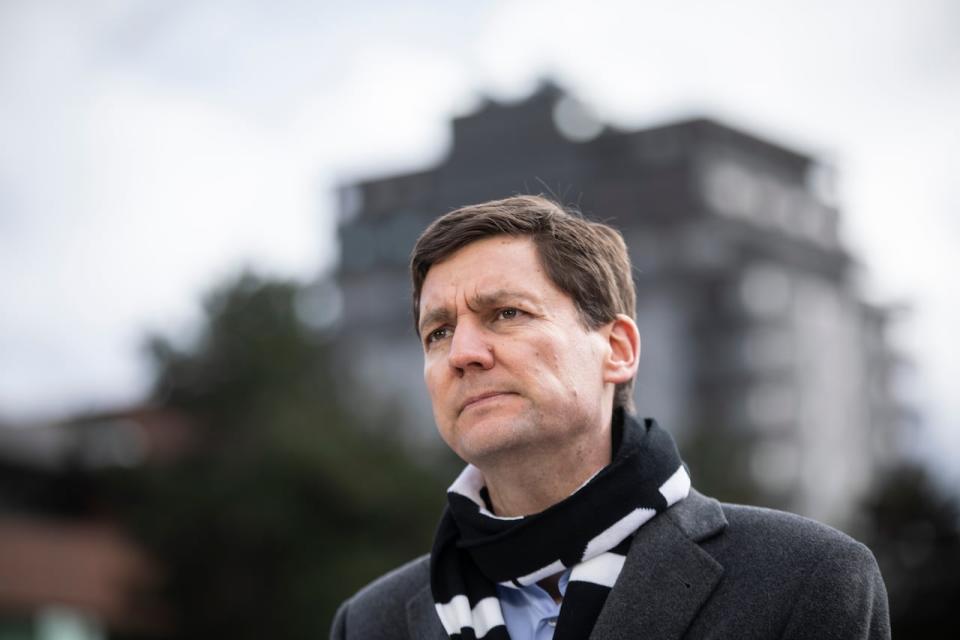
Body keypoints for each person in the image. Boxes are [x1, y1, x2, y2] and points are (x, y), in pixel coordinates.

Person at [330, 195, 890, 640]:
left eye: (506, 313)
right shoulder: (370, 624)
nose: (462, 354)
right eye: (439, 332)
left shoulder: (805, 579)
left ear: (617, 349)